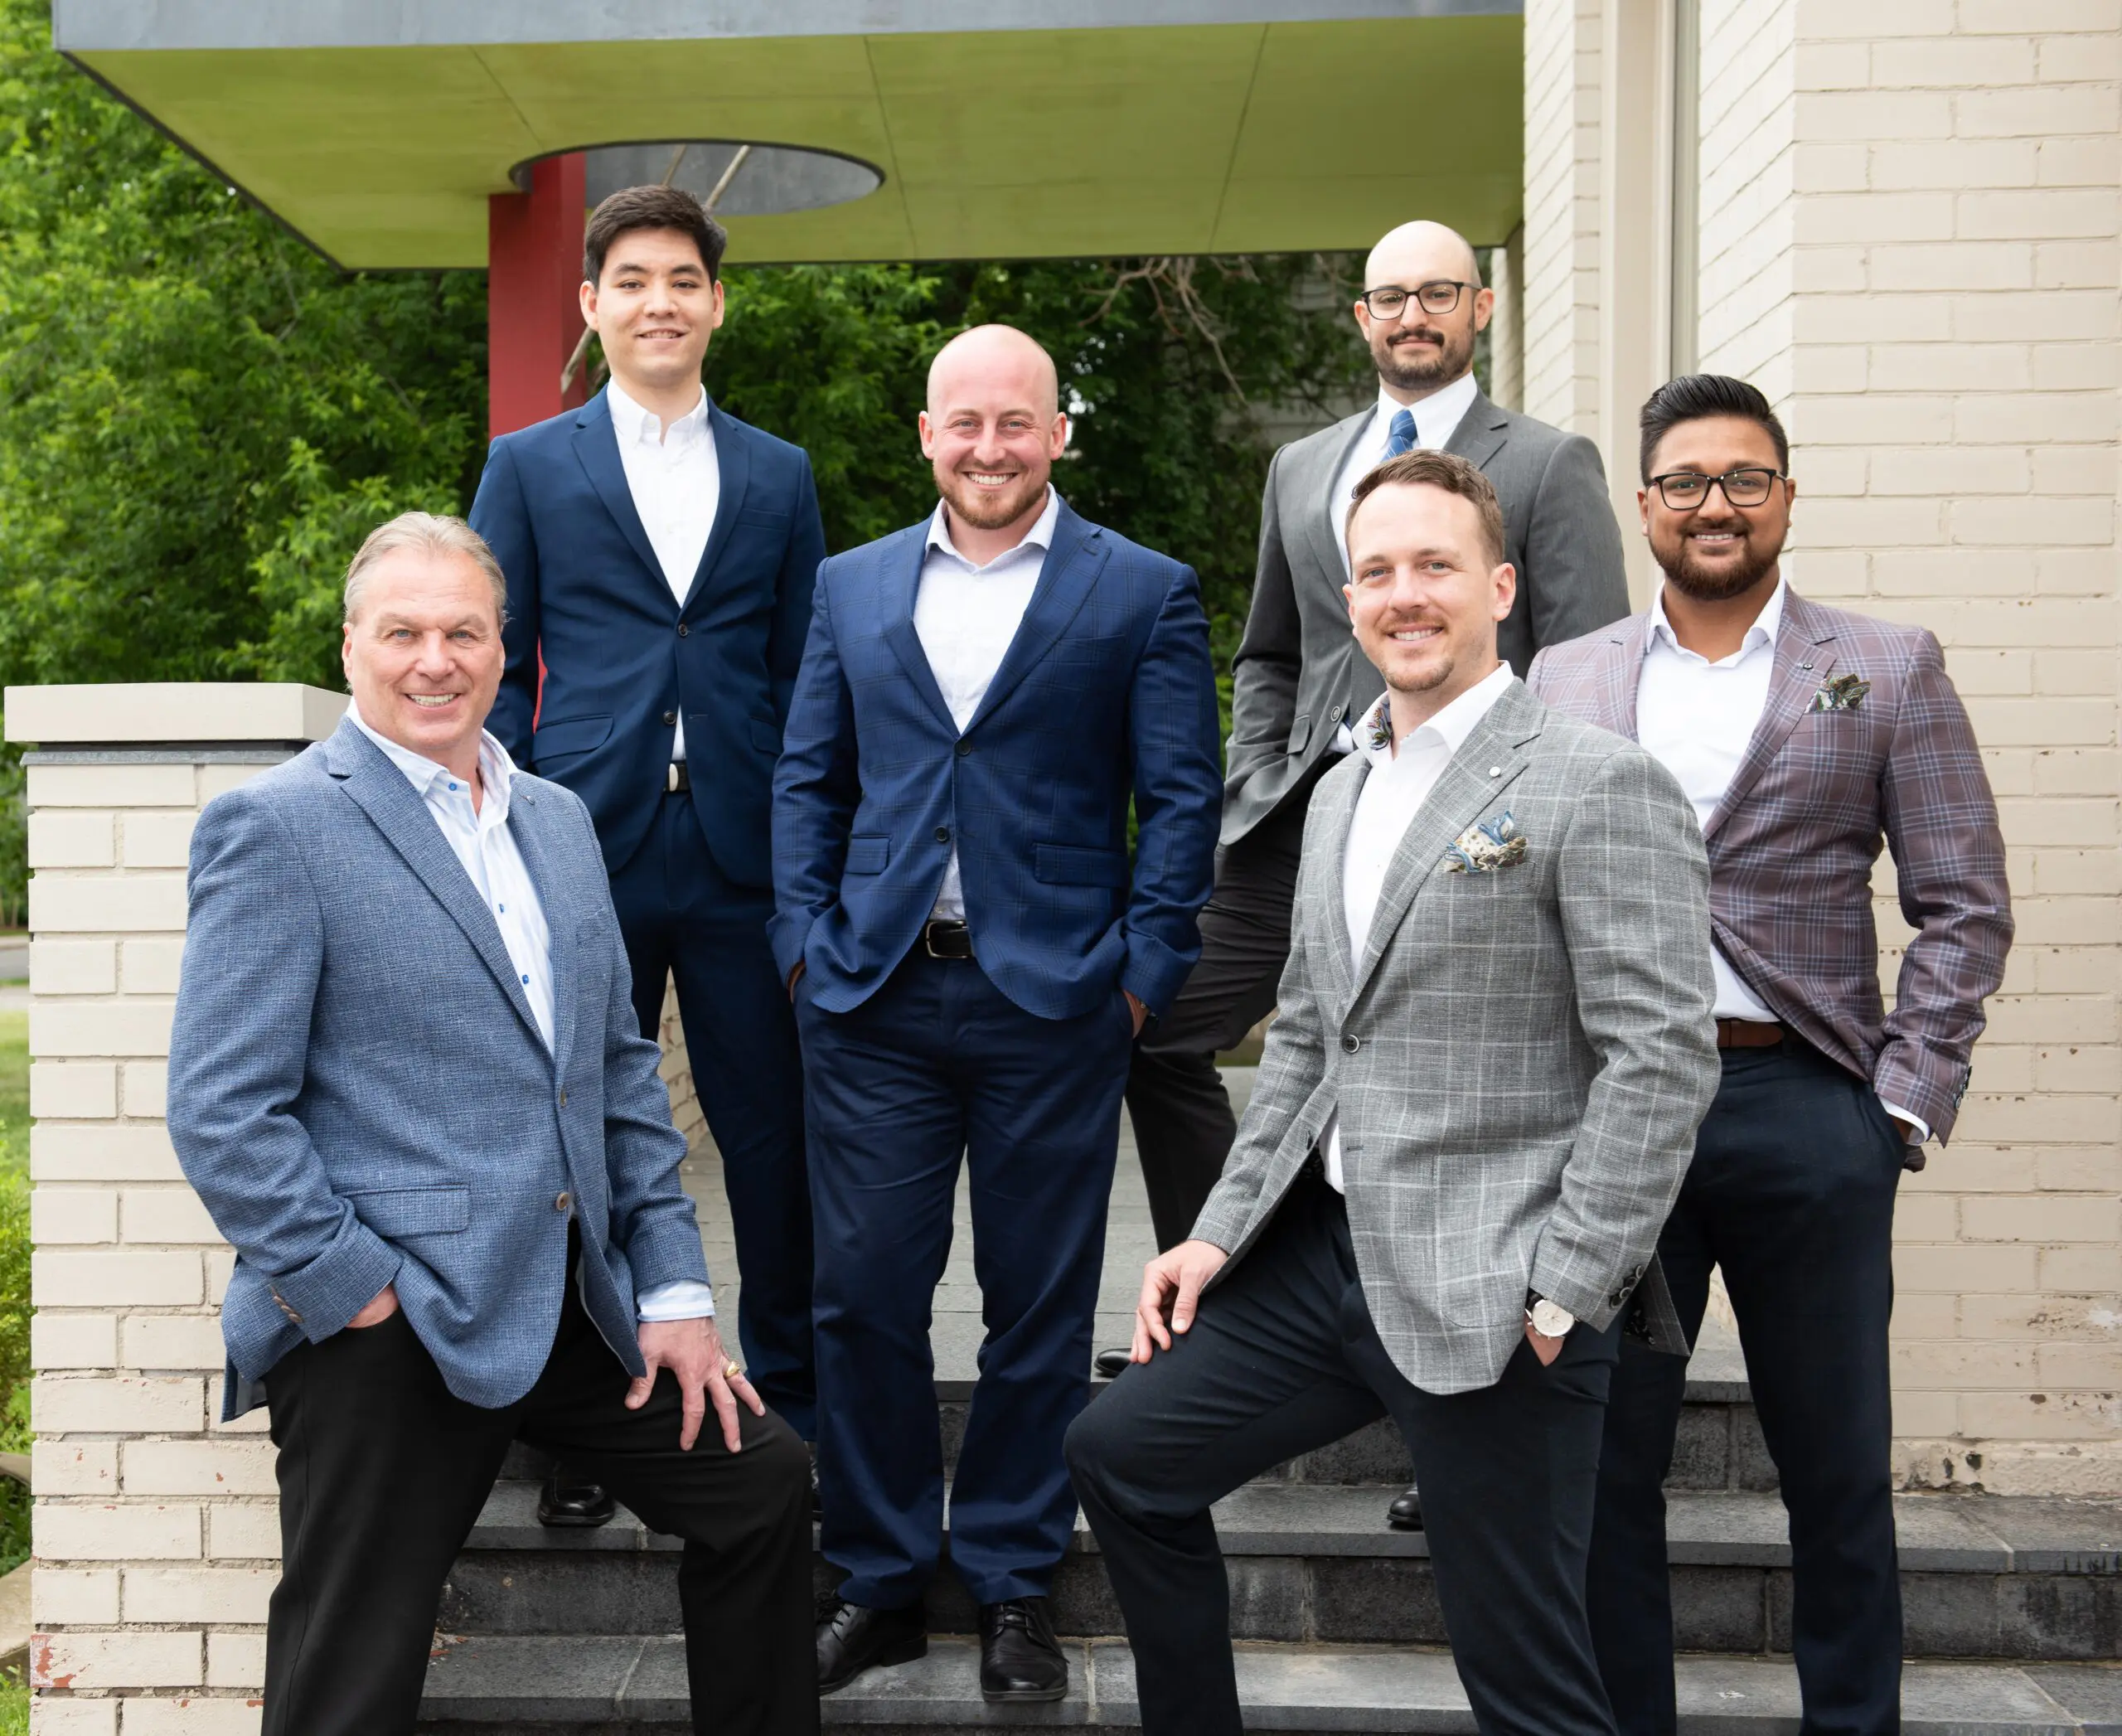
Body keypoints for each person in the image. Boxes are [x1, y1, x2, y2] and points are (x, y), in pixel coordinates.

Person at [1065, 449, 1720, 1736]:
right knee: (1122, 1457)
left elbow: (1661, 1054)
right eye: (1376, 571)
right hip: (1324, 1260)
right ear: (1349, 598)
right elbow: (1310, 1036)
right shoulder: (1343, 787)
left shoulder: (1595, 779)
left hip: (1502, 1287)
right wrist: (1214, 1228)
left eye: (1434, 565)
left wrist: (1569, 1283)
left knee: (1527, 1679)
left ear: (1501, 584)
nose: (1403, 593)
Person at [165, 514, 816, 1736]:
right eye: (402, 631)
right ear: (351, 645)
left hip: (567, 1296)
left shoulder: (558, 821)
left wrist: (672, 1289)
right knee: (350, 1665)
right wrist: (352, 1285)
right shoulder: (281, 825)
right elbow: (220, 1106)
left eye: (463, 631)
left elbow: (618, 1075)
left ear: (505, 648)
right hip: (388, 1316)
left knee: (760, 1484)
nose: (434, 659)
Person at [1116, 223, 1632, 1540]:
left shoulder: (1548, 462)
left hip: (1477, 822)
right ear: (1361, 316)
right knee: (1160, 1030)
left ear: (1483, 307)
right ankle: (1258, 1284)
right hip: (1311, 819)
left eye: (1439, 293)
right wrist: (1268, 773)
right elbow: (1267, 649)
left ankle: (1439, 1371)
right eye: (1392, 295)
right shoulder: (1305, 463)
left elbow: (1585, 655)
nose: (1415, 315)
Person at [1529, 373, 2013, 1736]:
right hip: (1621, 1121)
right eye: (1686, 481)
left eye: (1746, 478)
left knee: (1838, 1471)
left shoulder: (1885, 664)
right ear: (1644, 508)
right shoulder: (1569, 677)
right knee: (1610, 1473)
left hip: (1810, 1106)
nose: (1715, 504)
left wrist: (1903, 1105)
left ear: (1787, 496)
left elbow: (1964, 900)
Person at [773, 325, 1222, 1704]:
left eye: (1015, 423)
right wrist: (803, 947)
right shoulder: (850, 588)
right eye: (963, 423)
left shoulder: (1141, 591)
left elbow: (1182, 804)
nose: (988, 446)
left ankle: (1017, 1579)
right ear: (926, 435)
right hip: (875, 996)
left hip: (1056, 1004)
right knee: (862, 1299)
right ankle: (885, 1574)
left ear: (1057, 434)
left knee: (1035, 1308)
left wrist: (1138, 974)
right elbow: (807, 779)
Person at [469, 184, 826, 1528]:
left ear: (715, 303)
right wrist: (507, 816)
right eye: (632, 280)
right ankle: (588, 1424)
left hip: (742, 859)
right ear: (593, 307)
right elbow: (495, 657)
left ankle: (785, 1398)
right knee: (582, 1141)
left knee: (770, 1140)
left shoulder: (780, 474)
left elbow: (806, 673)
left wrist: (810, 846)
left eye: (683, 278)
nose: (660, 301)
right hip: (582, 846)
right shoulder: (532, 465)